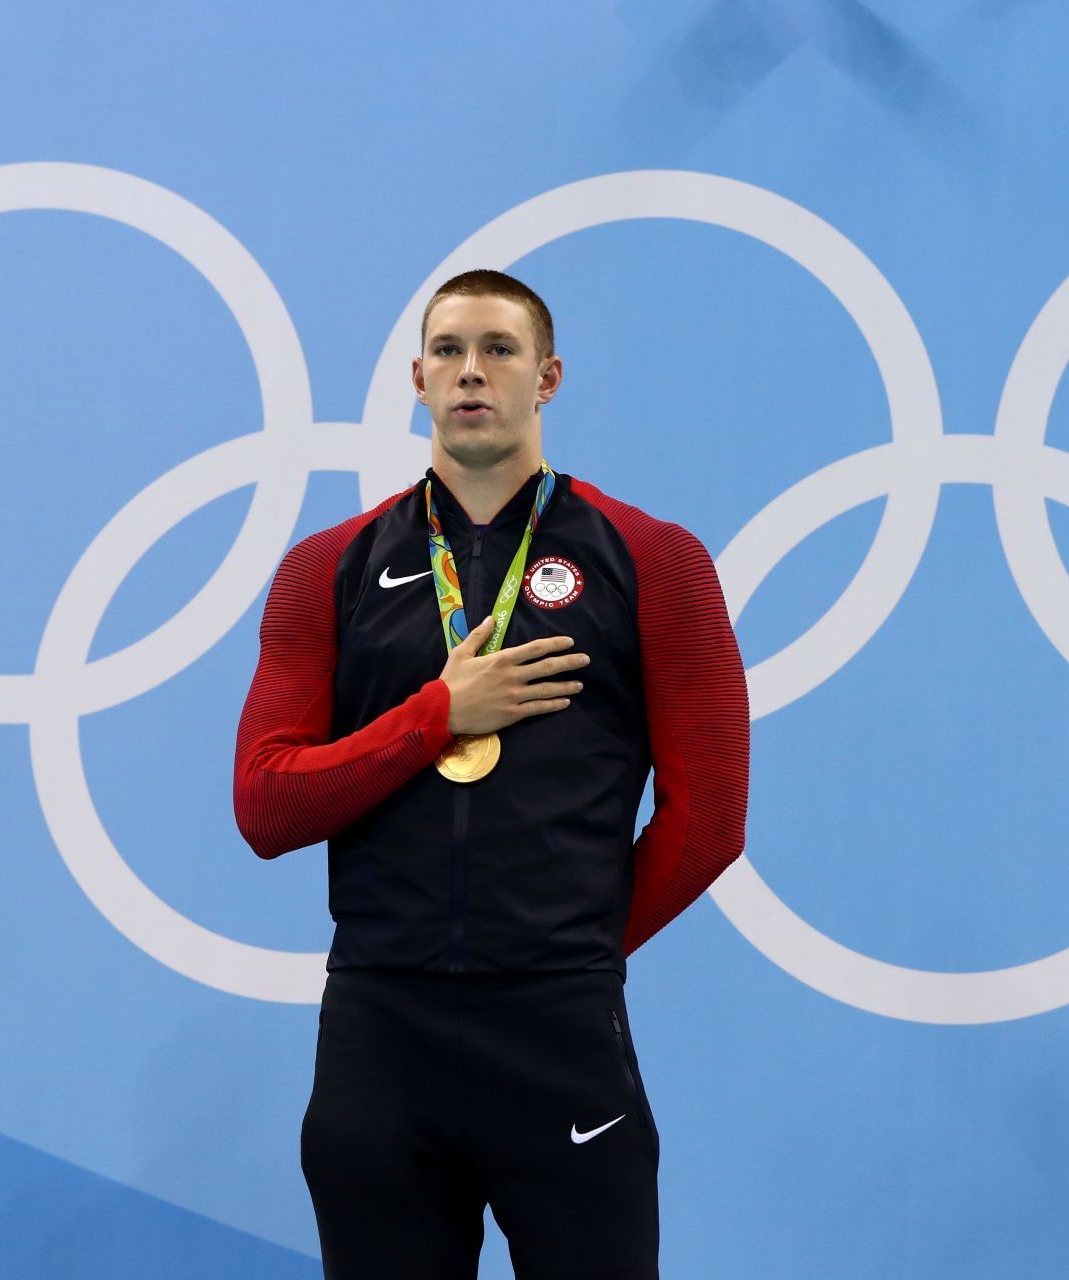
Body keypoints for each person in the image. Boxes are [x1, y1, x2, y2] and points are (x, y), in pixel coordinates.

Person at [231, 268, 750, 1279]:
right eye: (451, 351)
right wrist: (437, 716)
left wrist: (564, 943)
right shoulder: (326, 567)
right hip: (381, 1028)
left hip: (556, 1026)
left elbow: (710, 819)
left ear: (547, 377)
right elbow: (266, 800)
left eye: (500, 350)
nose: (474, 371)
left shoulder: (653, 557)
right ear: (415, 378)